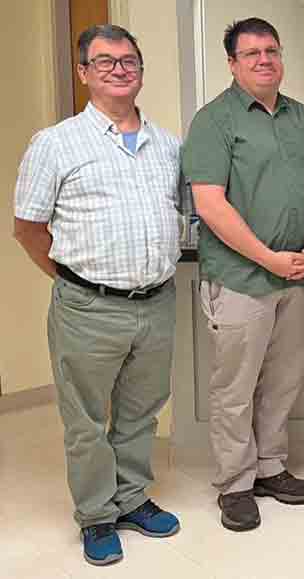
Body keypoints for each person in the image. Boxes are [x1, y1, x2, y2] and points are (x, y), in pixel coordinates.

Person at [13, 24, 182, 565]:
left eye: (129, 59)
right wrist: (72, 281)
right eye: (105, 61)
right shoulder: (56, 143)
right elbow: (28, 229)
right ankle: (96, 514)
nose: (119, 68)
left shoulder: (169, 145)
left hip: (156, 303)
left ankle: (132, 499)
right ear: (84, 72)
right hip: (87, 305)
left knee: (141, 412)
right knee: (85, 420)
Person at [182, 17, 304, 532]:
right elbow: (210, 204)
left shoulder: (302, 117)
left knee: (283, 382)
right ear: (232, 63)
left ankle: (270, 467)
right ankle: (235, 483)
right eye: (251, 54)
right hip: (240, 279)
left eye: (271, 50)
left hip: (299, 274)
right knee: (234, 388)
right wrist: (267, 258)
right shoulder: (214, 120)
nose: (264, 60)